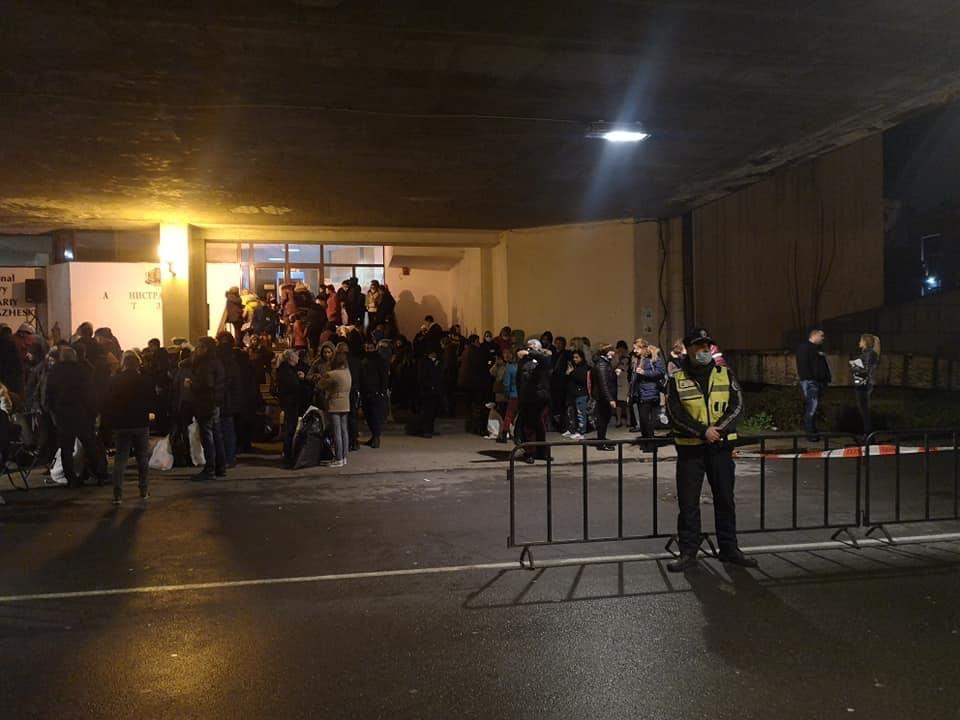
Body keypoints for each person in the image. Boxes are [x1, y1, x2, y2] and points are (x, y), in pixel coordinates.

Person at [665, 327, 755, 572]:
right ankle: (688, 552)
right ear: (688, 349)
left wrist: (719, 430)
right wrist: (702, 431)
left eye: (707, 345)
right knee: (688, 503)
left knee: (725, 500)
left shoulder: (725, 374)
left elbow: (737, 407)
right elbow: (675, 413)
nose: (705, 349)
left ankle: (729, 549)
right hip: (690, 451)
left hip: (721, 449)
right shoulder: (676, 379)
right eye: (699, 345)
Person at [42, 346, 108, 487]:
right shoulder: (82, 371)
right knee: (90, 445)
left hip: (63, 415)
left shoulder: (54, 372)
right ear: (74, 357)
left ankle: (70, 478)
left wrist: (53, 412)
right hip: (81, 414)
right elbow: (89, 393)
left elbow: (48, 395)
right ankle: (100, 474)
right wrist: (93, 412)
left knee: (66, 448)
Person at [103, 351, 155, 504]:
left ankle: (118, 494)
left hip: (121, 424)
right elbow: (152, 400)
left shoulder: (114, 380)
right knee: (142, 458)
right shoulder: (145, 380)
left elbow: (108, 401)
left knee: (120, 459)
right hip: (140, 423)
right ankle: (143, 490)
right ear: (138, 364)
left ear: (124, 364)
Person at [190, 337, 226, 481]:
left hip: (206, 404)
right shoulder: (217, 362)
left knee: (208, 437)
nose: (196, 350)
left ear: (205, 348)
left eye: (199, 347)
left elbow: (206, 384)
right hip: (215, 403)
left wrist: (192, 384)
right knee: (216, 436)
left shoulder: (206, 364)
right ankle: (220, 467)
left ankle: (210, 468)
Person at [514, 339, 552, 464]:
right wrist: (520, 395)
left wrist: (530, 353)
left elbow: (544, 360)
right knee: (529, 426)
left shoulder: (544, 358)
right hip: (528, 397)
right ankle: (530, 452)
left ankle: (541, 451)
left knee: (541, 425)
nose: (528, 350)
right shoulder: (524, 361)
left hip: (541, 397)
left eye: (531, 347)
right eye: (528, 347)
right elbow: (520, 379)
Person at [276, 349, 310, 467]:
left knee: (290, 428)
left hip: (290, 403)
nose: (298, 358)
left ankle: (288, 454)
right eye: (296, 356)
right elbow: (293, 387)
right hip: (291, 404)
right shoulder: (286, 370)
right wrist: (301, 381)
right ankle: (287, 456)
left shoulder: (287, 369)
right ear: (291, 358)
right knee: (290, 429)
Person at [318, 349, 352, 467]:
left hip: (335, 403)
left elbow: (320, 385)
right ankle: (344, 456)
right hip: (345, 403)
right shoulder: (347, 372)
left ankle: (338, 458)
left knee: (336, 431)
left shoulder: (332, 374)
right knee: (344, 430)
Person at [796, 327, 831, 439]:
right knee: (812, 407)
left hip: (818, 382)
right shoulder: (804, 347)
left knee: (814, 407)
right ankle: (810, 433)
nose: (823, 338)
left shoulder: (818, 349)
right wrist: (810, 378)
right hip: (811, 382)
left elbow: (823, 365)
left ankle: (813, 430)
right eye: (821, 336)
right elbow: (803, 365)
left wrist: (826, 378)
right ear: (814, 335)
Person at [631, 340, 666, 444]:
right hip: (639, 393)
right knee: (643, 419)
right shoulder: (636, 359)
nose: (634, 350)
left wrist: (644, 372)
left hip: (651, 392)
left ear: (643, 348)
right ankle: (645, 440)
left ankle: (650, 441)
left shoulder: (653, 358)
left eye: (636, 348)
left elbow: (661, 372)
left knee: (649, 419)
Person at [359, 338, 389, 448]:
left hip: (376, 392)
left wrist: (382, 391)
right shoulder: (364, 359)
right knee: (369, 415)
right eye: (366, 348)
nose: (368, 350)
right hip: (366, 392)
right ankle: (374, 436)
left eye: (370, 348)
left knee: (375, 415)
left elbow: (384, 376)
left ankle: (376, 437)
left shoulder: (379, 360)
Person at [852, 334, 881, 436]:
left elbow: (867, 370)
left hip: (864, 385)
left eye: (861, 340)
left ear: (865, 342)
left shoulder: (870, 354)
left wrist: (855, 366)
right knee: (863, 410)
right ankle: (867, 433)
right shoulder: (867, 353)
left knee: (864, 410)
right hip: (862, 383)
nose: (859, 342)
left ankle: (868, 434)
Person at [592, 344, 618, 451]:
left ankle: (602, 440)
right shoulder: (602, 365)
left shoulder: (605, 363)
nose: (614, 353)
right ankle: (601, 443)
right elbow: (603, 384)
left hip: (604, 396)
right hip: (603, 397)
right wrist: (610, 399)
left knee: (604, 419)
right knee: (602, 419)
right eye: (611, 351)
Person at [492, 347, 519, 443]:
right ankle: (517, 434)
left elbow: (506, 383)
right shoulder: (521, 366)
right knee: (518, 416)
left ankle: (504, 435)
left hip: (512, 394)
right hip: (522, 394)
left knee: (508, 415)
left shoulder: (510, 367)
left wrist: (507, 393)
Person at [562, 349, 590, 441]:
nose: (575, 359)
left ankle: (581, 432)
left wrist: (572, 372)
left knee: (580, 413)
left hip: (581, 393)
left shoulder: (584, 368)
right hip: (572, 393)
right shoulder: (573, 367)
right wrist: (568, 373)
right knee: (571, 413)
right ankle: (572, 429)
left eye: (577, 357)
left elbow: (581, 379)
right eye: (573, 358)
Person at [416, 350, 443, 438]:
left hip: (434, 390)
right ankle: (426, 430)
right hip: (427, 391)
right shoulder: (425, 362)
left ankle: (430, 429)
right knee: (427, 411)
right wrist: (431, 386)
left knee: (433, 411)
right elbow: (423, 377)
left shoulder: (436, 362)